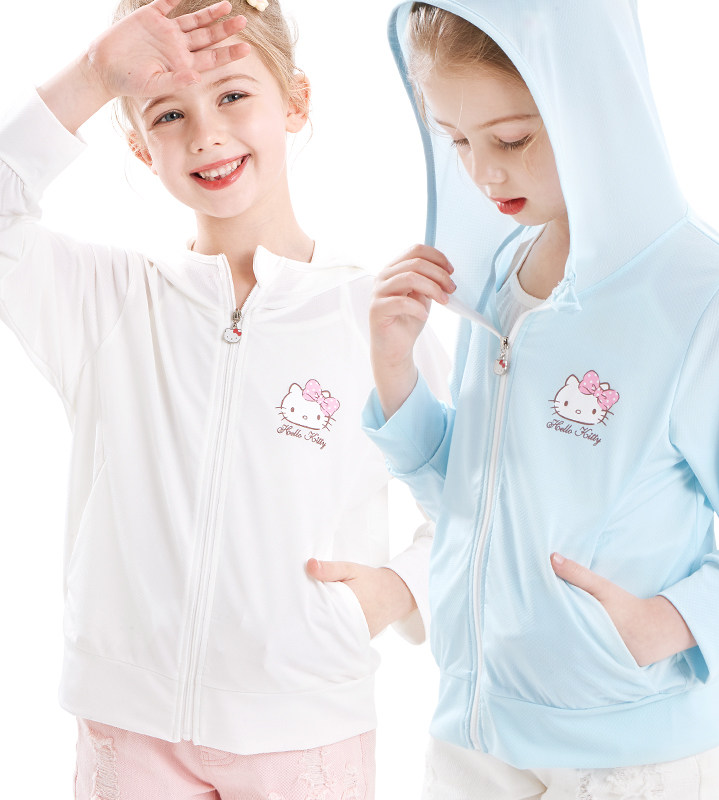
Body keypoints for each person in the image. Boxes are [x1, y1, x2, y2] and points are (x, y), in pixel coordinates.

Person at [0, 0, 447, 796]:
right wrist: (96, 75)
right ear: (140, 147)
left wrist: (399, 589)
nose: (206, 133)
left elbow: (478, 498)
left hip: (306, 730)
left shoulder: (378, 312)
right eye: (169, 113)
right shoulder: (109, 301)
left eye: (234, 94)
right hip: (128, 728)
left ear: (295, 101)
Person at [364, 1, 719, 797]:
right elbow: (478, 501)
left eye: (511, 139)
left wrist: (677, 621)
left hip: (635, 756)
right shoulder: (501, 276)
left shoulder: (709, 292)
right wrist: (397, 375)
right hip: (473, 739)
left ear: (592, 102)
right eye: (456, 141)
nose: (484, 174)